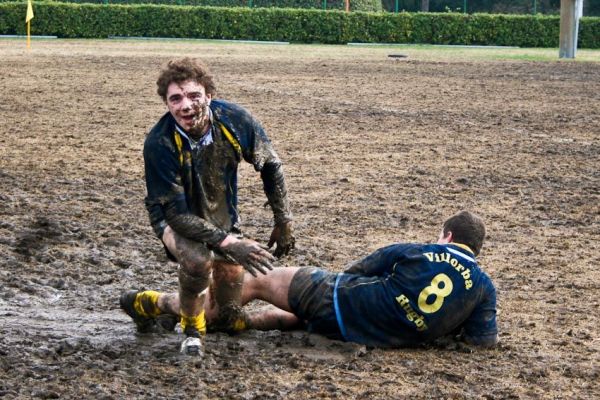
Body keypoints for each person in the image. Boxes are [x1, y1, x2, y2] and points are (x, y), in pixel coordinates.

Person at [120, 58, 295, 356]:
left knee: (225, 316)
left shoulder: (236, 120)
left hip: (221, 217)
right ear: (166, 102)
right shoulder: (159, 143)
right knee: (197, 260)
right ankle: (191, 334)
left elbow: (271, 166)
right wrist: (231, 244)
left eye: (193, 96)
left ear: (209, 96)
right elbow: (176, 215)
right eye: (175, 98)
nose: (185, 105)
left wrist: (283, 220)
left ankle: (148, 303)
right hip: (173, 219)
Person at [123, 211, 498, 349]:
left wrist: (332, 286)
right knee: (297, 318)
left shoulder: (419, 251)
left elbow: (359, 270)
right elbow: (483, 342)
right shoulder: (484, 288)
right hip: (368, 336)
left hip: (336, 301)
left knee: (253, 280)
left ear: (446, 236)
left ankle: (159, 303)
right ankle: (243, 322)